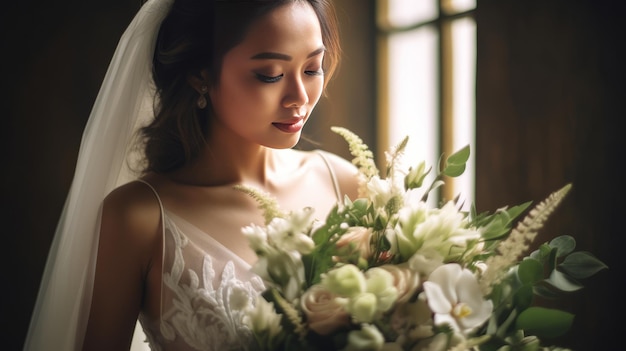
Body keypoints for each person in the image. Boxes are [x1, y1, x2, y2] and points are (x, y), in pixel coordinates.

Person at [23, 0, 359, 350]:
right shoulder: (139, 218)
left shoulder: (345, 183)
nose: (299, 97)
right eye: (270, 74)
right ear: (200, 74)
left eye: (312, 68)